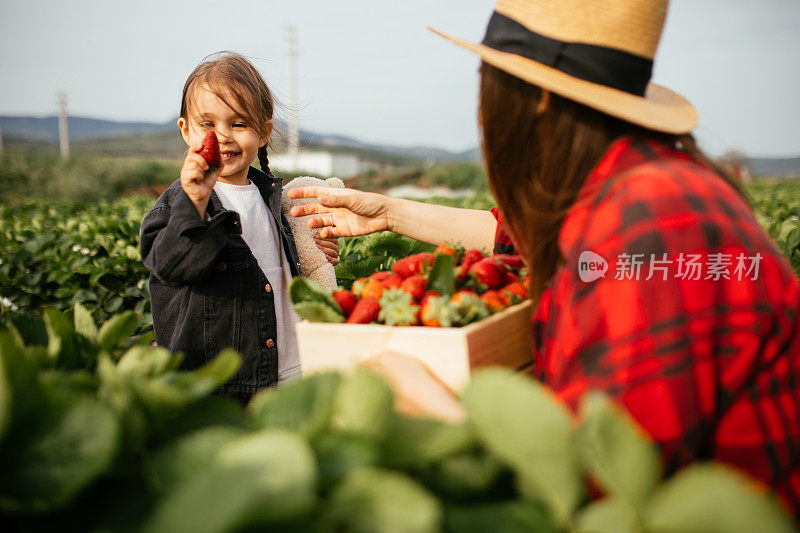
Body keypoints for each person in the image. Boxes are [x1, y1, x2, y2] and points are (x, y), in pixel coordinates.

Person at [289, 0, 800, 517]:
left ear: (535, 99)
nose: (482, 110)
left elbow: (603, 492)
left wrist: (436, 412)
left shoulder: (649, 224)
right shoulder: (638, 187)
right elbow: (518, 237)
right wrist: (388, 212)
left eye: (487, 82)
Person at [140, 52, 338, 404]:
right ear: (186, 131)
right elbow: (173, 265)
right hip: (224, 385)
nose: (223, 137)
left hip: (291, 366)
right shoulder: (179, 203)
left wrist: (317, 252)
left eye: (239, 124)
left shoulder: (272, 197)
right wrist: (195, 203)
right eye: (208, 124)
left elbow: (282, 268)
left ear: (263, 132)